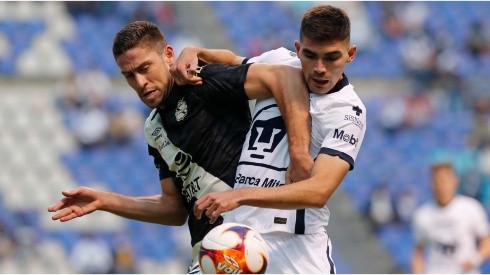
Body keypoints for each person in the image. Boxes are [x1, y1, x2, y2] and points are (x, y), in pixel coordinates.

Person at [47, 21, 313, 274]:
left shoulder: (201, 82)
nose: (140, 83)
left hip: (247, 238)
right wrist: (105, 201)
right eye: (129, 76)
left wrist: (298, 153)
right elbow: (174, 209)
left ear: (168, 55)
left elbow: (286, 77)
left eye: (144, 68)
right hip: (208, 251)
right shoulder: (153, 128)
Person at [172, 5, 366, 273]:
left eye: (331, 58)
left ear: (350, 54)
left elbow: (319, 190)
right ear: (297, 49)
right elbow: (232, 61)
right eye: (310, 56)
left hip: (295, 248)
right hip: (237, 237)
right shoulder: (278, 62)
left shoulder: (347, 111)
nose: (320, 68)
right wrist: (196, 52)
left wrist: (240, 195)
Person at [411, 161, 490, 274]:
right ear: (432, 184)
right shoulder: (422, 215)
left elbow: (487, 241)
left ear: (455, 181)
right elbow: (418, 252)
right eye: (438, 180)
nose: (442, 184)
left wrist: (475, 259)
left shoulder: (471, 208)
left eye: (445, 179)